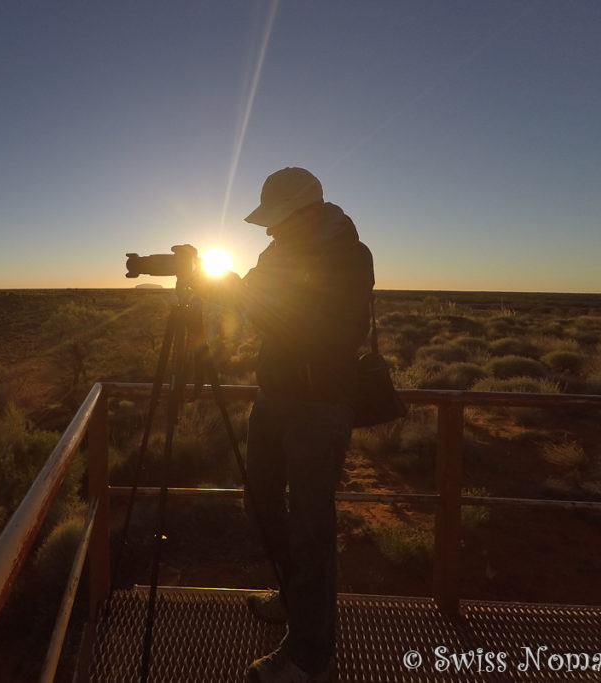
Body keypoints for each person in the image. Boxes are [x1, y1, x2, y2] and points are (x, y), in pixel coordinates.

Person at [204, 167, 374, 682]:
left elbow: (331, 330)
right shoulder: (276, 253)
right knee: (259, 502)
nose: (270, 231)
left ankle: (307, 655)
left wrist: (257, 299)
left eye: (278, 220)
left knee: (310, 525)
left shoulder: (349, 255)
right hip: (274, 398)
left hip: (320, 406)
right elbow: (254, 307)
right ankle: (296, 595)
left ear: (310, 210)